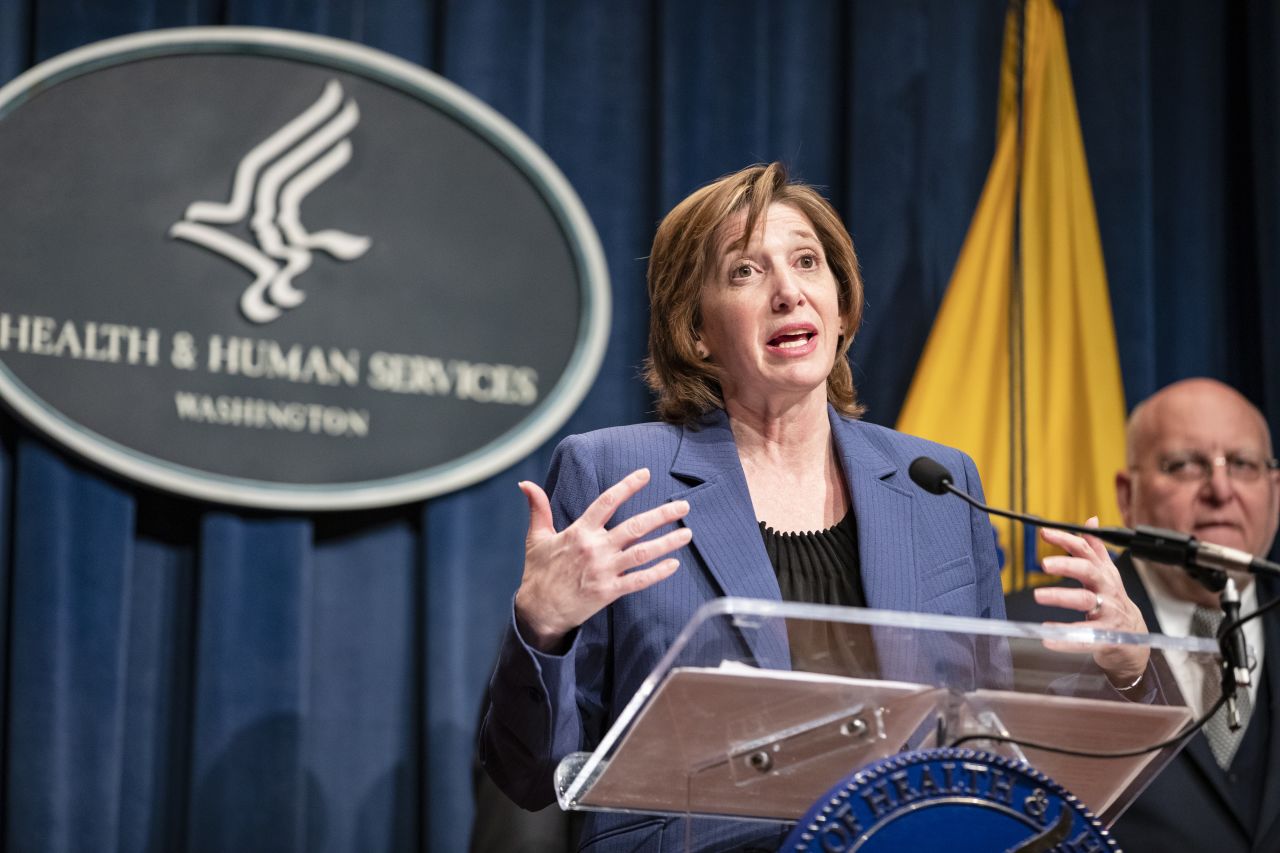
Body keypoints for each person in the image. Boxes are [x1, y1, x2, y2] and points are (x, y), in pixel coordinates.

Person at [477, 163, 1140, 852]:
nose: (788, 292)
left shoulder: (938, 487)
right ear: (695, 330)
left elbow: (994, 745)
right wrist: (542, 627)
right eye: (745, 272)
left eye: (806, 262)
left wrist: (1127, 671)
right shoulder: (619, 475)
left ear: (843, 304)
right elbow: (534, 775)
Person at [1006, 378, 1280, 852]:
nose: (1220, 488)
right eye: (1185, 465)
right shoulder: (1029, 631)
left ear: (1274, 492)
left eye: (1242, 465)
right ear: (1127, 495)